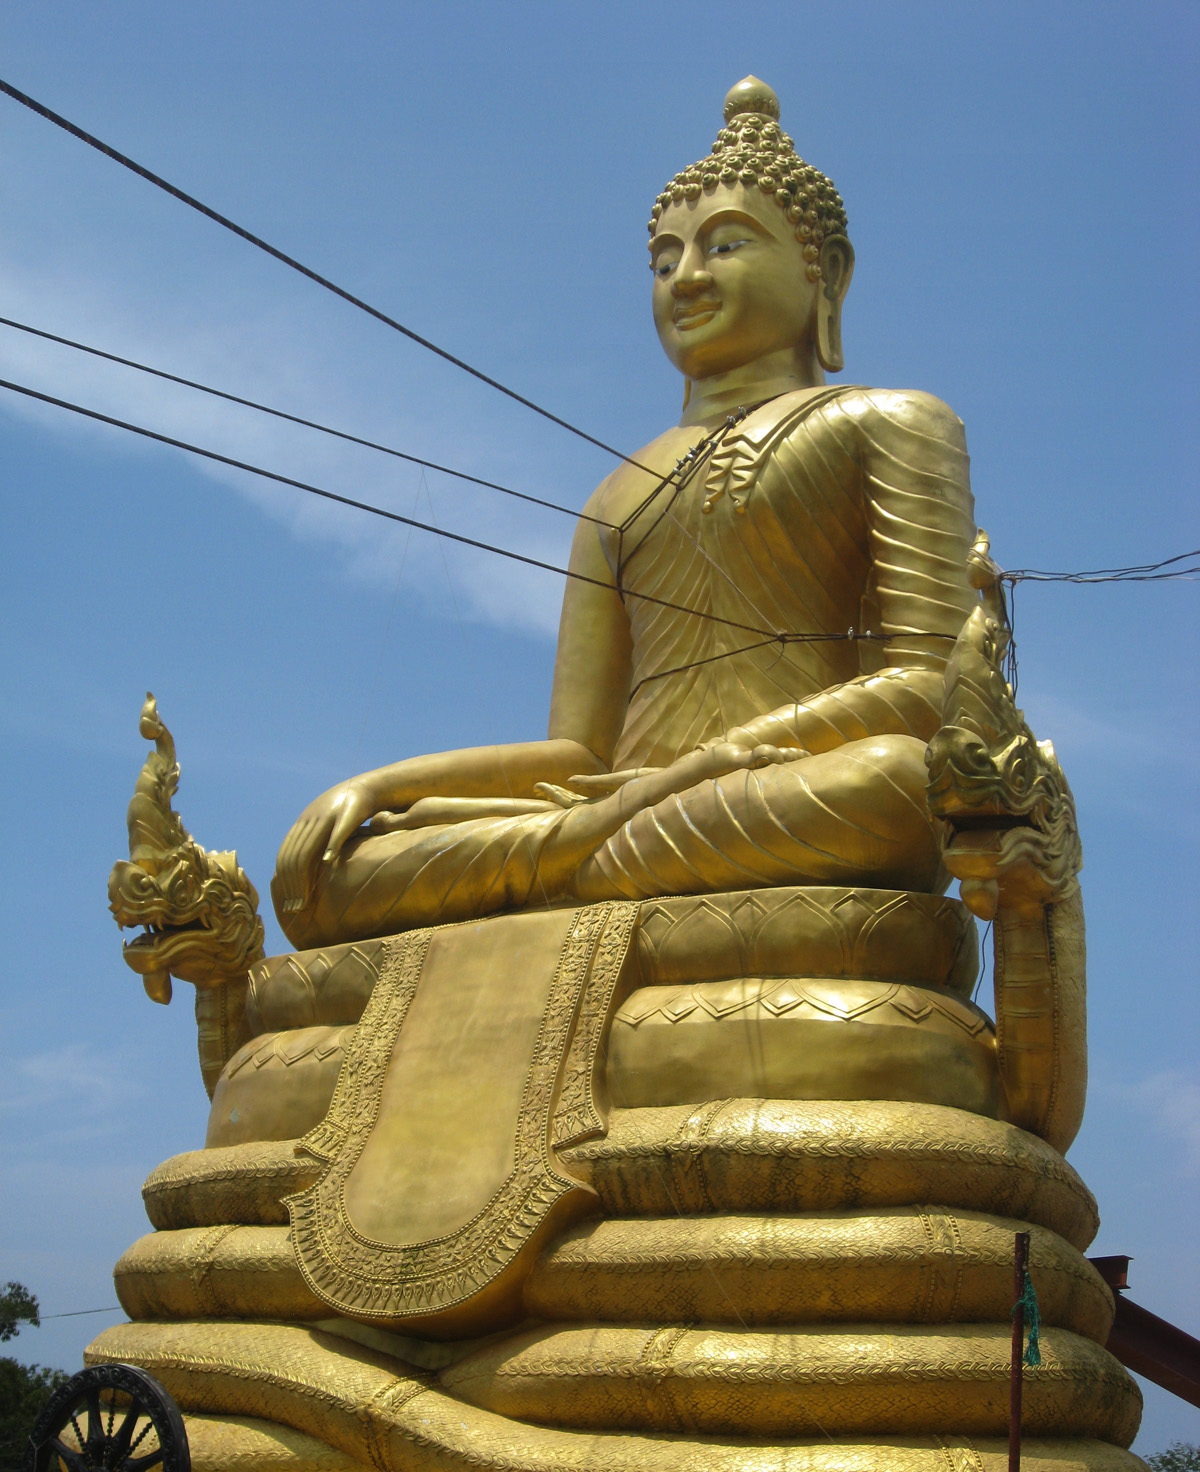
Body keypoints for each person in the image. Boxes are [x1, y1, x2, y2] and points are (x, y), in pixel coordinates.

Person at [272, 77, 977, 950]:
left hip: (787, 790)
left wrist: (707, 766)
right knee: (342, 868)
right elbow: (575, 755)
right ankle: (575, 860)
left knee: (894, 785)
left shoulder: (891, 423)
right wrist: (386, 790)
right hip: (636, 813)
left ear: (824, 272)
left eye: (724, 247)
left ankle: (563, 872)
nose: (685, 278)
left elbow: (937, 692)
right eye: (664, 259)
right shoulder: (616, 493)